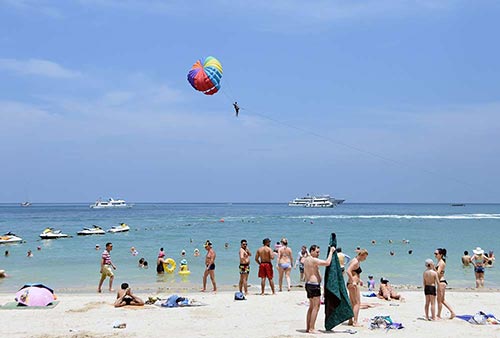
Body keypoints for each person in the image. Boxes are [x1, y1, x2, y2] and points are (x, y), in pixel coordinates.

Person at [303, 244, 335, 334]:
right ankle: (312, 328)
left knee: (311, 307)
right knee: (316, 307)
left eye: (319, 252)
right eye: (317, 252)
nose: (318, 254)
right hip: (314, 285)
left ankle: (308, 327)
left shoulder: (306, 260)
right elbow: (327, 263)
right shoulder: (313, 260)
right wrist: (331, 252)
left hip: (308, 284)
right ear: (312, 251)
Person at [346, 248, 368, 327]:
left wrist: (359, 279)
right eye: (364, 257)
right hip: (353, 284)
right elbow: (348, 271)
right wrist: (354, 281)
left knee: (352, 303)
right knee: (357, 303)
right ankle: (355, 322)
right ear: (361, 255)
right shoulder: (355, 262)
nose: (365, 259)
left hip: (351, 283)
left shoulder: (355, 260)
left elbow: (354, 272)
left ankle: (350, 321)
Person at [434, 248, 455, 319]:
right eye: (435, 254)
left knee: (439, 300)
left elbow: (438, 273)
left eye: (436, 254)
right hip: (441, 282)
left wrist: (432, 269)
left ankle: (439, 315)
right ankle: (452, 312)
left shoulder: (441, 262)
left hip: (441, 282)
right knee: (442, 300)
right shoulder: (439, 262)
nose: (435, 255)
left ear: (441, 254)